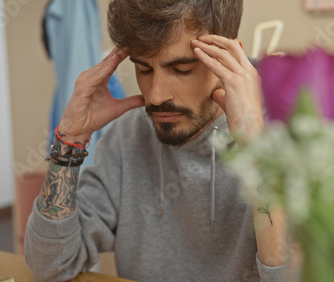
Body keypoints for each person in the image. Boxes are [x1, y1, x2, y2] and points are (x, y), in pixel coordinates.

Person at [24, 0, 289, 281]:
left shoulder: (286, 139)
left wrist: (255, 150)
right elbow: (51, 265)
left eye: (182, 69)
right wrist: (70, 141)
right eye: (144, 70)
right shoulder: (127, 137)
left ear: (230, 59)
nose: (156, 96)